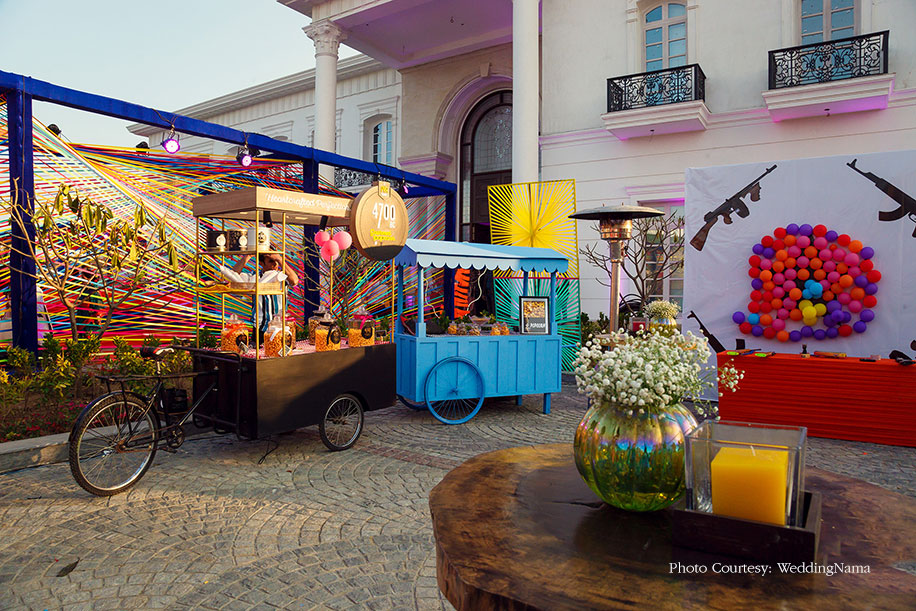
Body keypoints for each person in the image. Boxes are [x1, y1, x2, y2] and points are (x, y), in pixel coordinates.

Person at [233, 251, 299, 342]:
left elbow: (294, 281)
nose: (275, 264)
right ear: (261, 263)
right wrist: (247, 256)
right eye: (271, 261)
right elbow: (233, 275)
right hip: (260, 328)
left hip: (280, 327)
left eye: (276, 260)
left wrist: (279, 259)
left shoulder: (281, 276)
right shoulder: (254, 276)